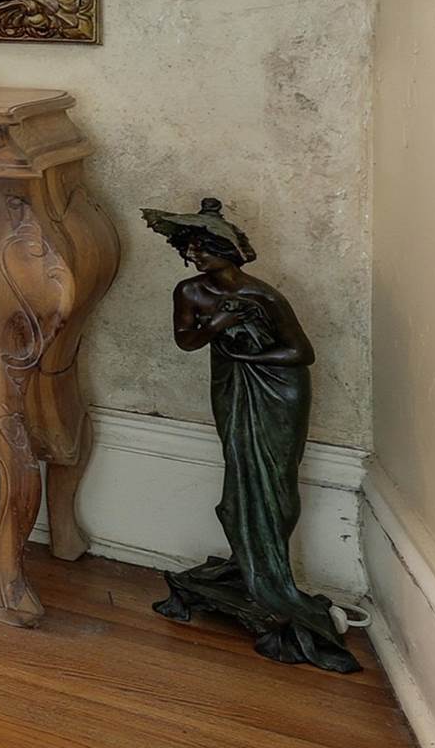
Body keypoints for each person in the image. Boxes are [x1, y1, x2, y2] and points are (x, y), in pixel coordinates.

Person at [141, 198, 357, 673]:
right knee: (240, 468)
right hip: (233, 389)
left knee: (278, 478)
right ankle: (249, 562)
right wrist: (219, 324)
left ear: (228, 251)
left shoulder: (264, 297)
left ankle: (268, 572)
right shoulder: (189, 292)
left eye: (204, 248)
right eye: (190, 247)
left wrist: (248, 359)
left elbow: (301, 352)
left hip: (280, 391)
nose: (195, 255)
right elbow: (186, 341)